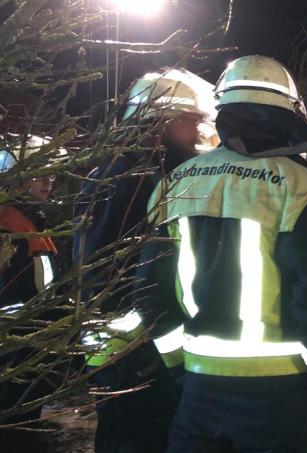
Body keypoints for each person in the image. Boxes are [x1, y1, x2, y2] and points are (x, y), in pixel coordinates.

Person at [134, 55, 307, 453]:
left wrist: (181, 370)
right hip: (282, 396)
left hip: (198, 395)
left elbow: (151, 295)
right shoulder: (302, 189)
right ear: (289, 111)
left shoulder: (174, 184)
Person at [73, 68, 217, 453]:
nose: (197, 134)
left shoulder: (108, 173)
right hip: (137, 354)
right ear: (160, 123)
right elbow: (127, 275)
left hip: (117, 352)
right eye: (189, 123)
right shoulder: (141, 180)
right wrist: (157, 356)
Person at [0, 135, 61, 450]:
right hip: (19, 337)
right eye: (39, 174)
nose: (47, 181)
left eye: (50, 174)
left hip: (31, 331)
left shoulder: (30, 219)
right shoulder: (10, 225)